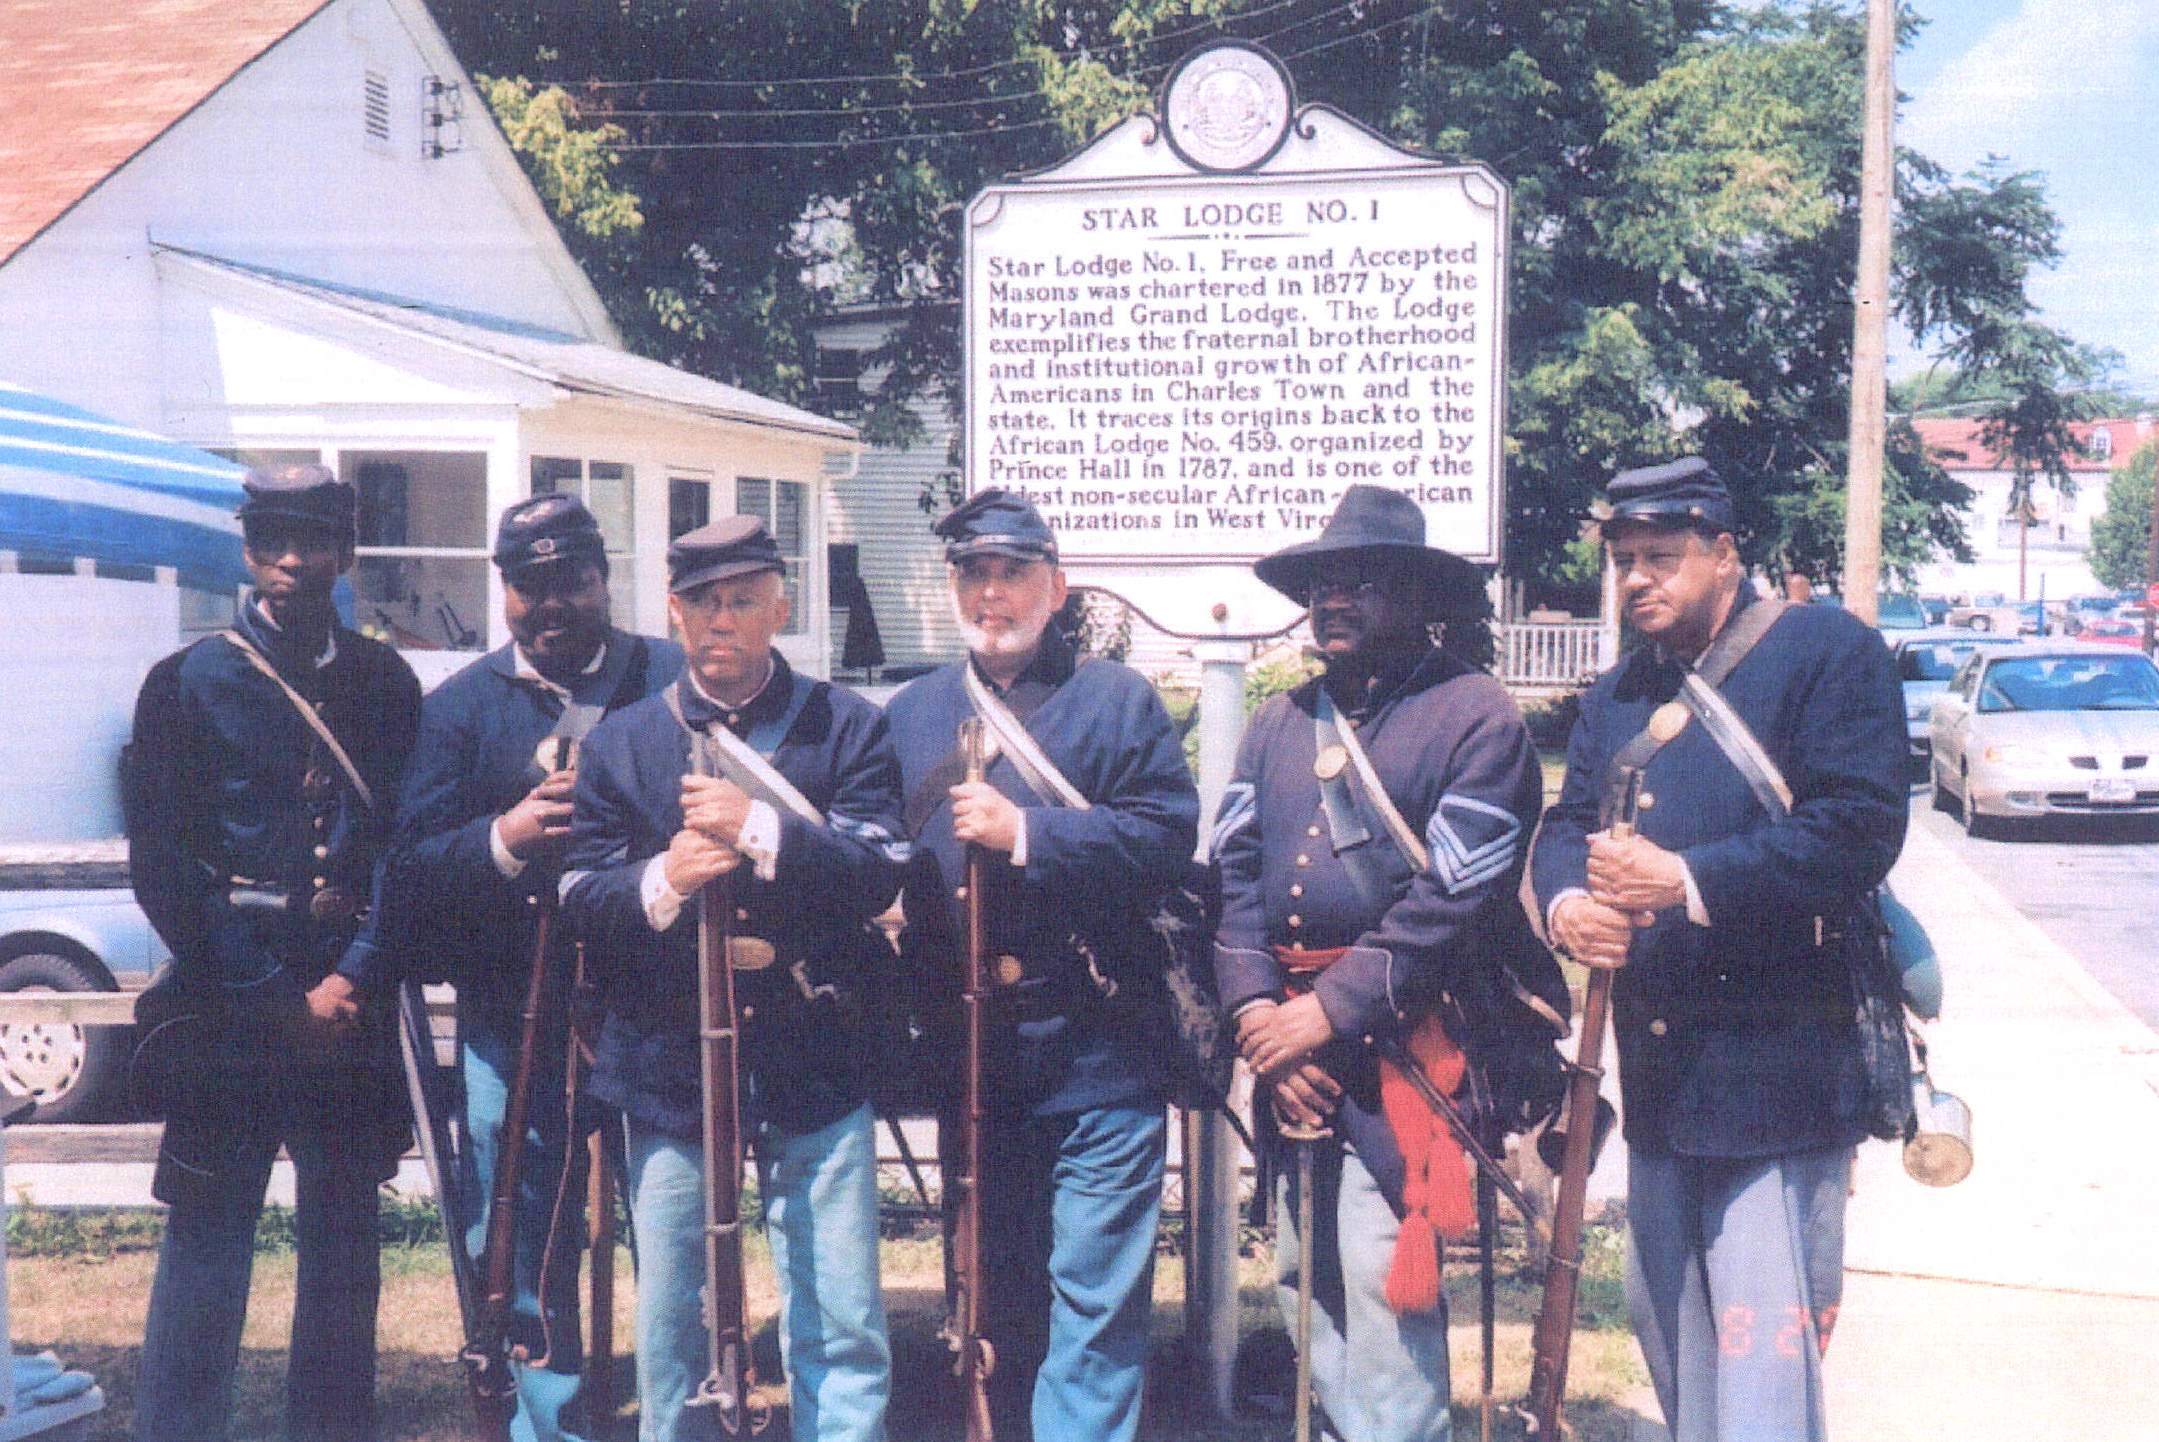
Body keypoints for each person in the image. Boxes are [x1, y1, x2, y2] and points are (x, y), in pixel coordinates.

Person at [1530, 458, 1907, 1442]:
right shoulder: (1620, 690)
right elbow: (1565, 823)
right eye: (1622, 560)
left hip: (1775, 1070)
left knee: (1761, 1367)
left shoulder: (1825, 652)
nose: (1635, 579)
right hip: (1659, 1073)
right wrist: (1568, 904)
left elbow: (1856, 827)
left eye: (1659, 556)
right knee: (1670, 1340)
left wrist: (1684, 879)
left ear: (1725, 553)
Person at [1210, 483, 1561, 1442]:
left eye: (1361, 582)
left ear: (1418, 595)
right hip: (1288, 1044)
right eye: (1322, 584)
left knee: (1377, 1276)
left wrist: (1323, 1014)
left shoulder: (1475, 716)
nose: (1333, 600)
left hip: (1410, 1043)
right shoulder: (1279, 721)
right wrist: (1258, 1019)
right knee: (1301, 1271)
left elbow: (1452, 897)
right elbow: (1233, 877)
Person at [558, 517, 906, 1442]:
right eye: (703, 601)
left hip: (814, 1037)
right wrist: (665, 877)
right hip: (669, 1050)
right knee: (672, 1310)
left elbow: (878, 872)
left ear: (780, 610)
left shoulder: (846, 727)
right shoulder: (623, 741)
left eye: (744, 600)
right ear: (672, 613)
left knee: (838, 1304)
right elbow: (580, 897)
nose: (722, 619)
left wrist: (760, 828)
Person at [883, 489, 1200, 1442]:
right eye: (973, 575)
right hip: (974, 1049)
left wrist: (1027, 832)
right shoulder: (912, 712)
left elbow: (1164, 838)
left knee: (1095, 1302)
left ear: (1055, 588)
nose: (991, 594)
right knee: (992, 1287)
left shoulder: (1116, 699)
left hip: (1100, 1043)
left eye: (1012, 574)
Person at [122, 464, 421, 1442]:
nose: (293, 559)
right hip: (229, 1001)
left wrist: (355, 971)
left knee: (344, 1245)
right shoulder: (184, 682)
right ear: (249, 551)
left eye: (315, 539)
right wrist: (269, 995)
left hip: (349, 999)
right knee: (206, 1239)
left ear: (346, 553)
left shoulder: (385, 682)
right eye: (274, 540)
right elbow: (163, 864)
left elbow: (403, 847)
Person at [386, 494, 681, 1442]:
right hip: (512, 1003)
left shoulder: (670, 680)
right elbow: (410, 866)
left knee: (672, 1215)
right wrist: (505, 838)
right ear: (504, 591)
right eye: (528, 585)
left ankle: (680, 1405)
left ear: (603, 579)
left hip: (655, 1002)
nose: (550, 604)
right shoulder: (458, 709)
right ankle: (543, 1419)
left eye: (570, 581)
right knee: (516, 1221)